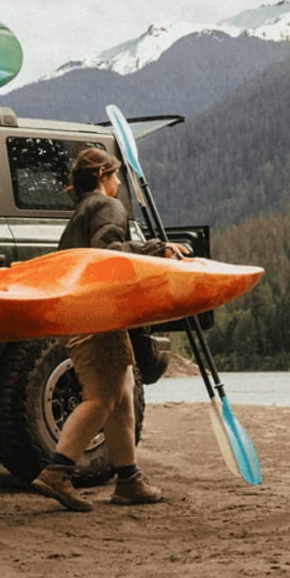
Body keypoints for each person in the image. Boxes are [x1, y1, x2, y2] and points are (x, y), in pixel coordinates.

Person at [31, 147, 188, 512]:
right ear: (104, 175)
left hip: (80, 313)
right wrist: (157, 249)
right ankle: (58, 471)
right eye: (115, 176)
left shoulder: (81, 210)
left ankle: (128, 479)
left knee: (122, 390)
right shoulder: (106, 206)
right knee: (102, 396)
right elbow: (109, 251)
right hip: (98, 315)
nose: (118, 183)